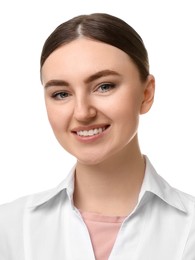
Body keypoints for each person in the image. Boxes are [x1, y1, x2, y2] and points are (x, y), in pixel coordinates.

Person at [0, 13, 194, 260]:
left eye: (104, 86)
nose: (82, 112)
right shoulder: (9, 229)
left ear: (146, 94)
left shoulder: (190, 229)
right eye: (61, 94)